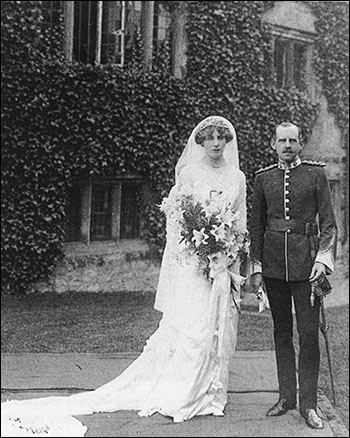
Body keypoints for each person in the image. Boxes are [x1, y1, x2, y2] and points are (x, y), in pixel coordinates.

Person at [1, 116, 248, 437]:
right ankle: (184, 392)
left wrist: (226, 252)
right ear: (199, 141)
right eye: (210, 137)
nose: (216, 143)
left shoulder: (237, 177)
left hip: (220, 264)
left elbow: (239, 222)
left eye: (221, 138)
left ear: (227, 142)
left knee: (215, 327)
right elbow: (176, 223)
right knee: (194, 329)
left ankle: (210, 394)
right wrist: (198, 252)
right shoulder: (188, 174)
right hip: (194, 264)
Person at [248, 122, 337, 430]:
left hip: (306, 267)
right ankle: (287, 397)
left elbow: (329, 224)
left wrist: (322, 261)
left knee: (308, 335)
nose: (287, 145)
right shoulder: (263, 178)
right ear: (273, 144)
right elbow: (256, 226)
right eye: (282, 140)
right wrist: (257, 268)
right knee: (281, 333)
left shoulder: (316, 174)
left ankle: (309, 405)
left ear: (300, 144)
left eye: (292, 140)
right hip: (273, 267)